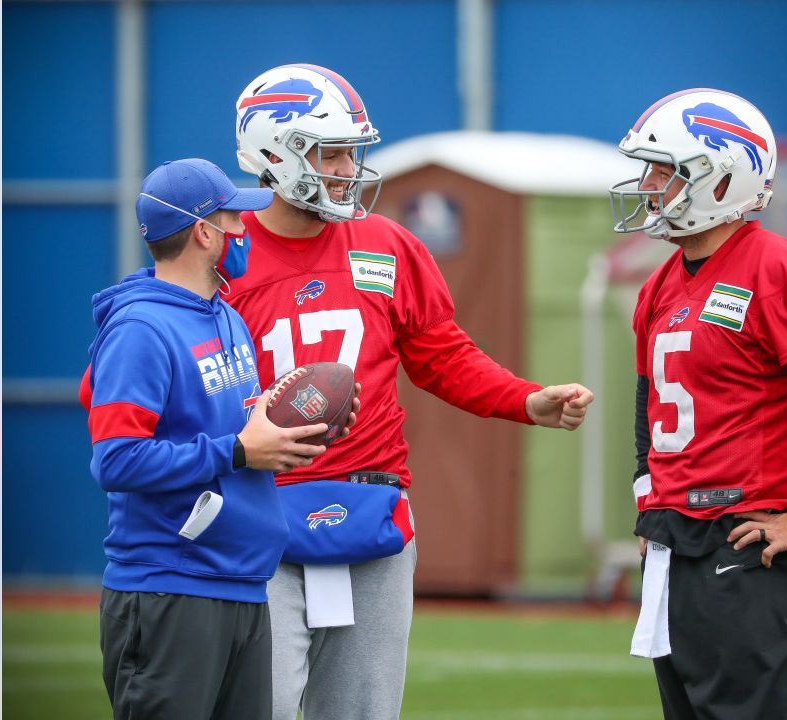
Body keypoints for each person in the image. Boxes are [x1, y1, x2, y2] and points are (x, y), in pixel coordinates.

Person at [227, 63, 595, 720]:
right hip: (258, 512)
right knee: (264, 707)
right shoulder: (222, 251)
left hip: (371, 507)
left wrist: (523, 399)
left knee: (363, 713)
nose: (346, 167)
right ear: (271, 153)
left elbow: (440, 354)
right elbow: (177, 370)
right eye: (328, 151)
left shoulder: (386, 244)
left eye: (351, 150)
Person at [608, 89, 787, 719]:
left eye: (666, 170)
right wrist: (650, 499)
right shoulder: (662, 282)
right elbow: (648, 398)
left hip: (745, 539)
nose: (649, 185)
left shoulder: (781, 269)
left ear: (721, 178)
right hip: (677, 543)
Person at [82, 158, 355, 719]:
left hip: (242, 583)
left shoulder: (225, 314)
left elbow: (240, 432)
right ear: (204, 232)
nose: (243, 231)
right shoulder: (142, 329)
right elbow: (116, 460)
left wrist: (296, 435)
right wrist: (235, 451)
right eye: (233, 219)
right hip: (170, 587)